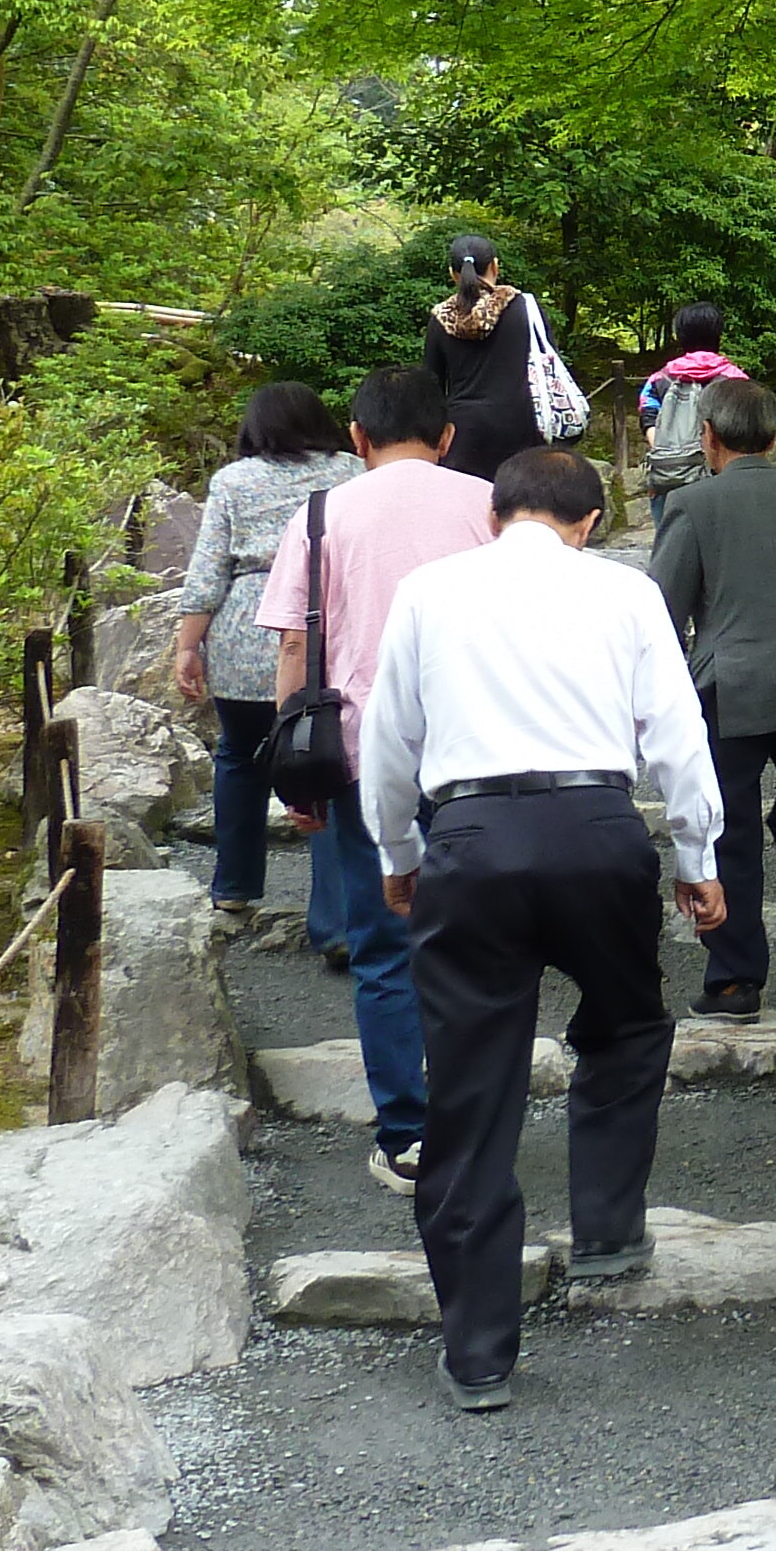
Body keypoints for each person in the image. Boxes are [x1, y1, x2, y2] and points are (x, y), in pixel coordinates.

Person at [362, 448, 725, 1412]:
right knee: (629, 1020)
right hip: (598, 830)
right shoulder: (627, 593)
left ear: (495, 516)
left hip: (471, 837)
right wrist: (700, 859)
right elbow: (677, 736)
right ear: (591, 520)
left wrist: (397, 850)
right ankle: (606, 1227)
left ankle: (479, 1351)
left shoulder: (430, 591)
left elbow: (389, 735)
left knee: (473, 1087)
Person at [256, 363, 492, 1195]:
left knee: (385, 953)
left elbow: (291, 645)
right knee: (476, 948)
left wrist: (294, 777)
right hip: (477, 756)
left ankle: (408, 1135)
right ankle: (476, 1125)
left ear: (356, 437)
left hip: (360, 756)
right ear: (447, 436)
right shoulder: (488, 503)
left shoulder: (321, 513)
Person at [650, 376, 776, 1011]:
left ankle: (737, 977)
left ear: (707, 436)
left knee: (730, 825)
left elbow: (662, 605)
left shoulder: (693, 505)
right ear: (775, 436)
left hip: (728, 686)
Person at [168, 382, 358, 929]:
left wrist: (187, 646)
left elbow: (208, 573)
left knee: (238, 757)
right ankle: (338, 920)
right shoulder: (349, 472)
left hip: (245, 633)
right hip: (323, 630)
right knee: (328, 765)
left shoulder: (233, 481)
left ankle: (233, 888)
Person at [422, 234, 551, 483]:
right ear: (495, 266)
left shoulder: (439, 320)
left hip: (463, 437)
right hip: (522, 428)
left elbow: (432, 387)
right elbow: (548, 362)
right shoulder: (525, 308)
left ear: (453, 273)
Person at [636, 302, 747, 531]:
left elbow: (647, 417)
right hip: (721, 481)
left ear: (680, 336)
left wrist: (672, 457)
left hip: (669, 479)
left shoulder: (660, 378)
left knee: (671, 547)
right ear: (718, 335)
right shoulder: (737, 381)